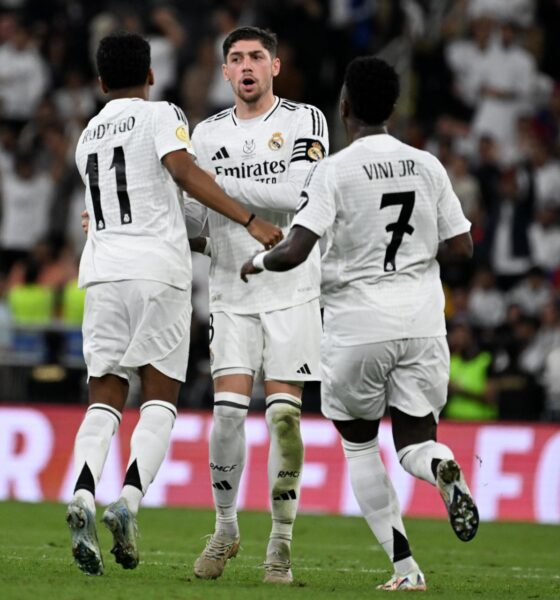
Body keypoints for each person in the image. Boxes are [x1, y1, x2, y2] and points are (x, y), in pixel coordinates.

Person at [241, 56, 479, 591]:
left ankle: (406, 568)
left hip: (356, 325)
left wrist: (255, 262)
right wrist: (418, 252)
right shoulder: (428, 164)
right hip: (422, 322)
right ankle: (441, 464)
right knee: (417, 440)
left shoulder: (335, 170)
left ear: (344, 106)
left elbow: (295, 250)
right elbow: (462, 246)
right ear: (393, 108)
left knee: (360, 445)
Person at [66, 30, 282, 577]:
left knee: (104, 399)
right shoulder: (160, 114)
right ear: (151, 75)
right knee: (160, 395)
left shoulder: (86, 135)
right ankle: (128, 500)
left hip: (101, 274)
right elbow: (182, 172)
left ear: (99, 82)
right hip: (157, 272)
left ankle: (83, 494)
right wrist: (249, 221)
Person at [188, 26, 328, 584]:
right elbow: (196, 221)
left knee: (286, 419)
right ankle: (225, 528)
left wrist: (212, 189)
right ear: (224, 72)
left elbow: (298, 191)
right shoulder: (204, 132)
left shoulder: (305, 119)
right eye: (235, 59)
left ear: (275, 64)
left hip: (292, 290)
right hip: (229, 289)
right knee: (225, 413)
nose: (245, 66)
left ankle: (281, 542)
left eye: (255, 57)